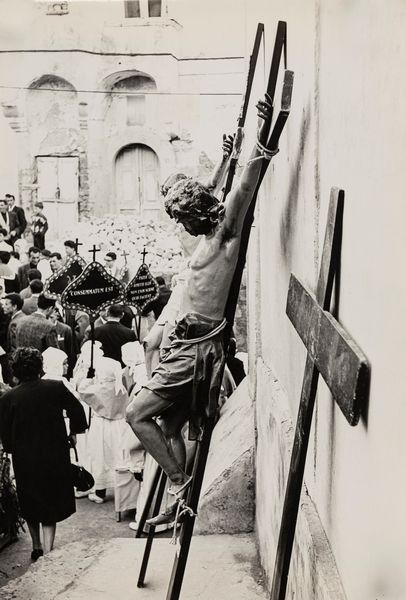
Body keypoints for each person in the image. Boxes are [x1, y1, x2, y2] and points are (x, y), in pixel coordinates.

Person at [126, 96, 275, 514]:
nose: (181, 226)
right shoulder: (209, 228)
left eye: (183, 218)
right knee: (170, 425)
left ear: (197, 215)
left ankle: (178, 486)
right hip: (185, 344)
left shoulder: (226, 232)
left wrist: (261, 137)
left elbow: (244, 187)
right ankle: (182, 492)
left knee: (136, 414)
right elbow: (214, 191)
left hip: (195, 352)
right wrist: (224, 159)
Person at [0, 347, 87, 559]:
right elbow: (77, 410)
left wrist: (12, 448)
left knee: (29, 499)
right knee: (50, 498)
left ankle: (36, 547)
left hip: (24, 456)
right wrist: (74, 432)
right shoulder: (55, 387)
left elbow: (4, 431)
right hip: (54, 452)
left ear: (16, 370)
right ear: (40, 367)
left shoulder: (9, 397)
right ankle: (48, 550)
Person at [73, 341, 129, 504]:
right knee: (118, 456)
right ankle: (121, 490)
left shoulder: (100, 389)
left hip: (101, 425)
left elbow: (82, 390)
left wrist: (89, 378)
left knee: (100, 458)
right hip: (119, 426)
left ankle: (100, 490)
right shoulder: (119, 388)